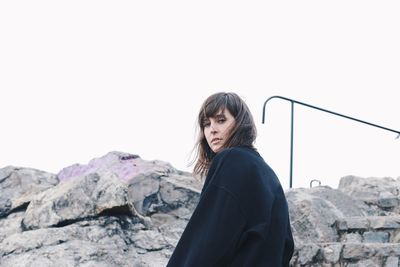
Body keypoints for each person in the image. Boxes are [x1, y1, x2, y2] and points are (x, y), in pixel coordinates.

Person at [167, 92, 294, 267]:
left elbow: (210, 238)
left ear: (240, 123)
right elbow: (286, 244)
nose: (212, 130)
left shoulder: (232, 160)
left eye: (221, 120)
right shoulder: (268, 175)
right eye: (206, 124)